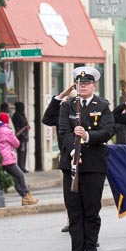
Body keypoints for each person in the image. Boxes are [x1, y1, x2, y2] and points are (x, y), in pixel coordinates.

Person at [58, 66, 114, 251]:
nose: (83, 86)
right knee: (74, 211)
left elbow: (108, 131)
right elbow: (64, 131)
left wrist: (88, 136)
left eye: (87, 83)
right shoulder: (68, 106)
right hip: (72, 164)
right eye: (80, 84)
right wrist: (74, 151)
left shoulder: (102, 105)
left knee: (91, 211)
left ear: (94, 85)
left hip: (93, 165)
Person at [42, 82, 77, 233]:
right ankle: (70, 219)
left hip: (83, 156)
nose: (64, 104)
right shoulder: (61, 112)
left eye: (68, 101)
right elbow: (46, 119)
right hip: (66, 157)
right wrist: (61, 95)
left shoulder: (81, 114)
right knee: (69, 192)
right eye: (64, 102)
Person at [0, 113, 38, 206]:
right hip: (7, 158)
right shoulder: (7, 130)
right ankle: (27, 196)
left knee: (15, 178)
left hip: (0, 158)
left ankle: (25, 197)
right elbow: (16, 143)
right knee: (20, 175)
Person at [12, 102, 30, 173]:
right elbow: (17, 127)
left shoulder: (22, 115)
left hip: (24, 137)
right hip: (20, 137)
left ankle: (23, 166)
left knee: (23, 153)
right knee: (21, 152)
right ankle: (21, 167)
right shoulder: (17, 116)